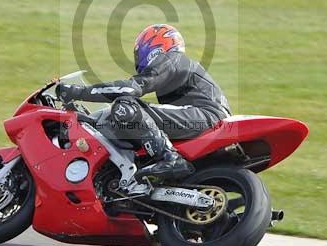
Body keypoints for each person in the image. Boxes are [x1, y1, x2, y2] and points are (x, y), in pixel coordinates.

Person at [56, 24, 231, 181]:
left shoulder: (172, 59)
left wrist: (77, 92)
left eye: (138, 53)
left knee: (125, 106)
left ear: (153, 46)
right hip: (207, 117)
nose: (138, 58)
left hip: (206, 116)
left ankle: (170, 159)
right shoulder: (178, 68)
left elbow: (130, 89)